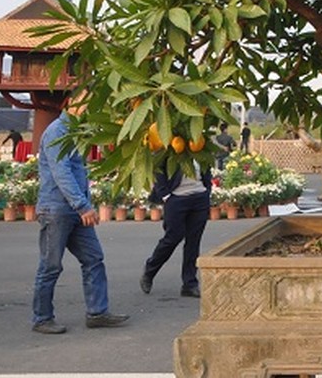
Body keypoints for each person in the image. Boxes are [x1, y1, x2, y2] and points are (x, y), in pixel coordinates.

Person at [31, 104, 129, 334]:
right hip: (57, 210)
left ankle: (97, 312)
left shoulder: (76, 133)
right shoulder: (57, 131)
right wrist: (83, 206)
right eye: (87, 102)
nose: (89, 107)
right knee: (50, 266)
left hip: (74, 211)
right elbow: (61, 173)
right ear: (71, 105)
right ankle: (42, 318)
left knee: (94, 258)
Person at [140, 159, 211, 298]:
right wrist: (166, 195)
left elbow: (206, 169)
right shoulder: (170, 146)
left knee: (193, 242)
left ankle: (190, 284)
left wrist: (207, 190)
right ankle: (150, 271)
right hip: (177, 199)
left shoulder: (200, 147)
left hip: (199, 198)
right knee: (172, 238)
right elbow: (157, 168)